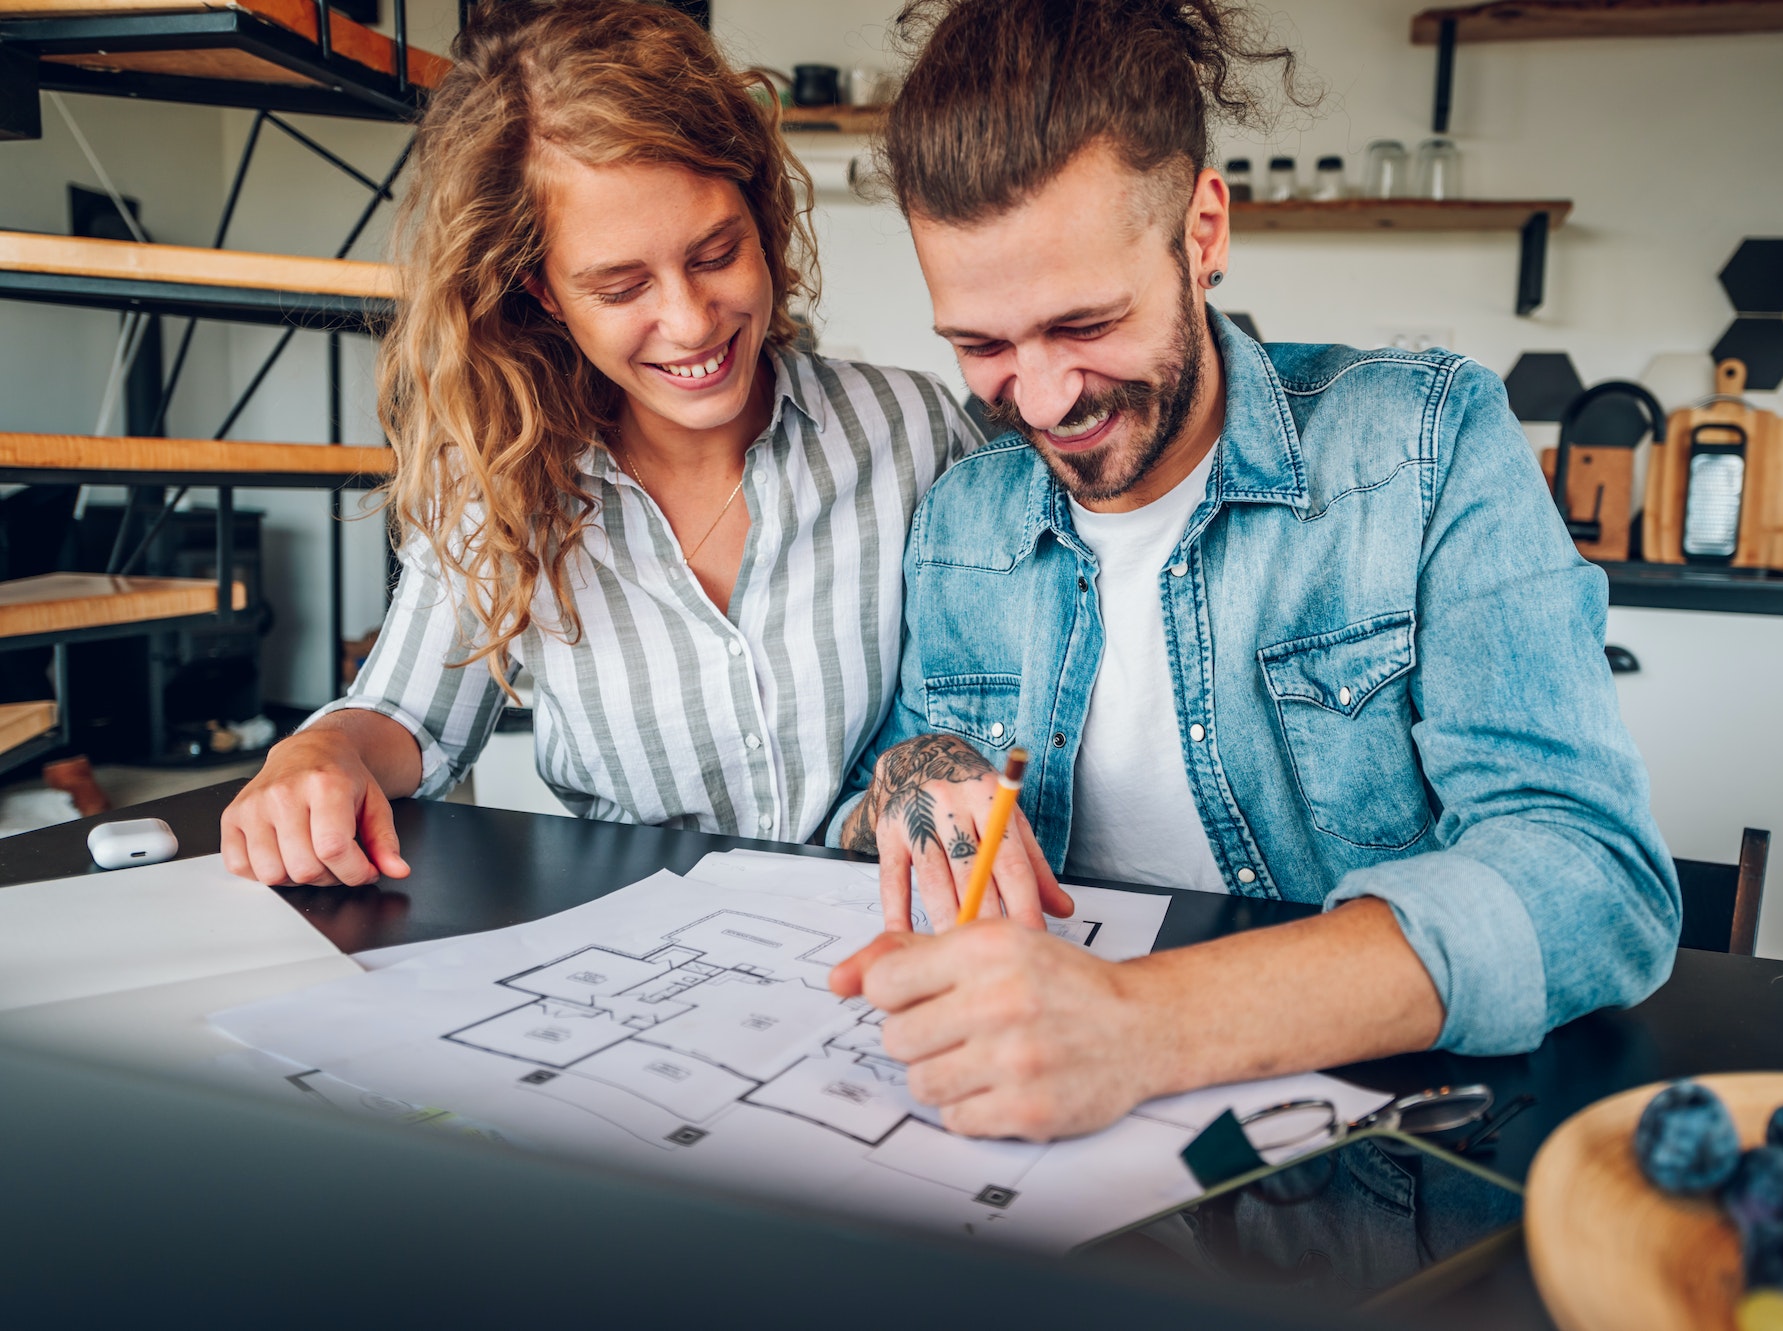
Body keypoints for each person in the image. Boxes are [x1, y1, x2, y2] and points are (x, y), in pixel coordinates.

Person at [828, 0, 1680, 1141]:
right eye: (980, 345)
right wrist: (918, 774)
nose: (1037, 400)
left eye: (1085, 322)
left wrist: (1140, 1023)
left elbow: (1590, 879)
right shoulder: (962, 516)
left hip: (1383, 1151)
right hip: (1039, 1154)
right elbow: (909, 761)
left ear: (1202, 230)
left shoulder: (1425, 446)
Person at [220, 0, 982, 889]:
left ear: (759, 214)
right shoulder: (499, 486)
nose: (692, 322)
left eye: (715, 252)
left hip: (892, 926)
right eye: (621, 286)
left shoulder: (911, 431)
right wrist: (321, 751)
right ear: (541, 290)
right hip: (645, 958)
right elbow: (406, 714)